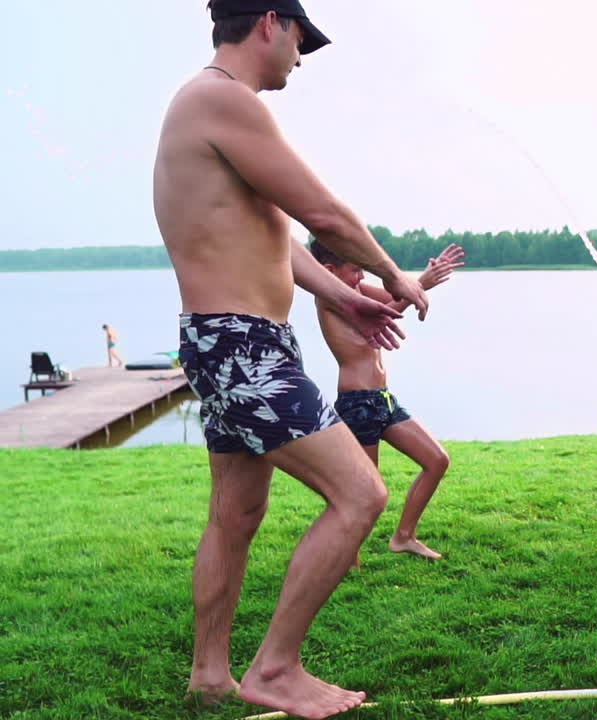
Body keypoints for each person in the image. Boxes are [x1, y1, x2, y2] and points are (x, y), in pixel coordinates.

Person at [152, 2, 429, 718]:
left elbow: (276, 234)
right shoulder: (221, 97)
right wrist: (395, 276)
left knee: (236, 512)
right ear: (271, 23)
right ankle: (275, 668)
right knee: (362, 494)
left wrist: (347, 295)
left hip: (233, 340)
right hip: (241, 344)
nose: (300, 60)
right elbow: (326, 216)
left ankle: (210, 675)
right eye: (301, 42)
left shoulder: (208, 106)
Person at [311, 238, 465, 565]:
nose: (359, 278)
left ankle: (404, 537)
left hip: (383, 399)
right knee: (364, 491)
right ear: (329, 270)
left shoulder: (357, 289)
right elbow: (385, 315)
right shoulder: (328, 296)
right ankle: (346, 554)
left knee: (437, 460)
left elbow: (397, 298)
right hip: (357, 404)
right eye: (354, 270)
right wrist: (419, 285)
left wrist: (421, 280)